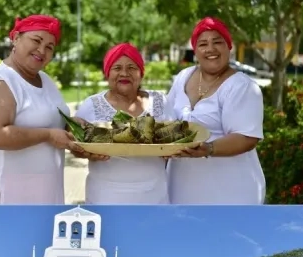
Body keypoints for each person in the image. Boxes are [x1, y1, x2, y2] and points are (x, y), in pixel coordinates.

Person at [0, 15, 90, 204]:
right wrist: (48, 135)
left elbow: (51, 120)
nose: (42, 50)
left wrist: (71, 126)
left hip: (46, 194)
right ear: (16, 38)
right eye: (36, 40)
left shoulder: (46, 80)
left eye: (50, 47)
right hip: (9, 197)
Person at [165, 17, 265, 204]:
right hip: (181, 189)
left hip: (230, 193)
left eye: (217, 42)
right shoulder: (183, 77)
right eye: (203, 44)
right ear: (195, 50)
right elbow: (168, 119)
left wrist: (208, 148)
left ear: (229, 46)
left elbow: (246, 138)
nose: (210, 49)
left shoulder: (241, 86)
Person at [74, 43, 170, 204]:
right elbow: (76, 147)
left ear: (141, 73)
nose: (124, 73)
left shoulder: (159, 101)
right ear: (107, 73)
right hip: (105, 196)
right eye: (117, 68)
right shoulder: (91, 105)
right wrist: (84, 151)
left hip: (154, 194)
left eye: (132, 67)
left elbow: (173, 137)